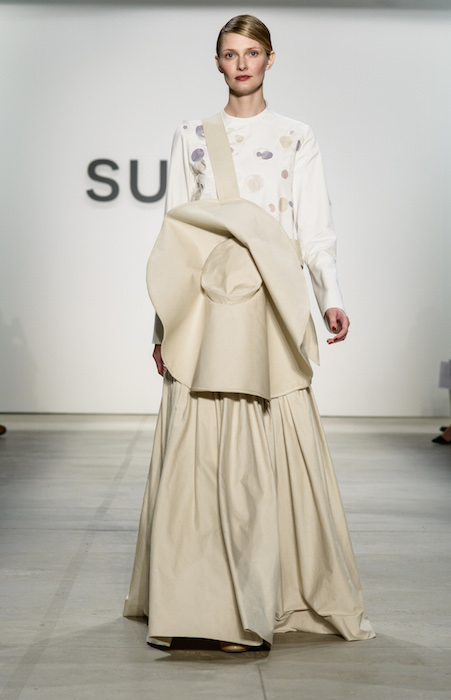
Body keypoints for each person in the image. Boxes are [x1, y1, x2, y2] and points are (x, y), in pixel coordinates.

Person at [123, 14, 375, 652]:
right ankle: (199, 603)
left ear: (270, 59)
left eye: (252, 53)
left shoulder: (295, 136)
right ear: (217, 62)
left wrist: (331, 297)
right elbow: (174, 236)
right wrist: (163, 324)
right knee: (199, 442)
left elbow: (314, 228)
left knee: (265, 437)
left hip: (269, 300)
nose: (242, 64)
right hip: (207, 307)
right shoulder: (191, 136)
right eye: (231, 54)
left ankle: (260, 599)